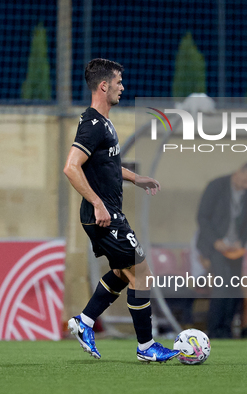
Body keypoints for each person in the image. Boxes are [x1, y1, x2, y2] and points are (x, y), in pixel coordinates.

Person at [63, 58, 179, 362]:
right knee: (143, 276)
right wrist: (98, 203)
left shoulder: (103, 123)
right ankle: (146, 347)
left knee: (120, 272)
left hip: (110, 213)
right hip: (105, 216)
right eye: (118, 82)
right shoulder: (91, 125)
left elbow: (108, 164)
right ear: (104, 86)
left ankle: (85, 321)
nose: (122, 87)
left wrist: (136, 177)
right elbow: (71, 167)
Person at [196, 162, 247, 339]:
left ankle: (228, 329)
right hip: (214, 246)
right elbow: (202, 217)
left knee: (233, 287)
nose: (246, 186)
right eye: (244, 181)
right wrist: (216, 241)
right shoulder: (216, 186)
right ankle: (215, 330)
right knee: (221, 286)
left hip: (235, 248)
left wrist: (242, 241)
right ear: (238, 172)